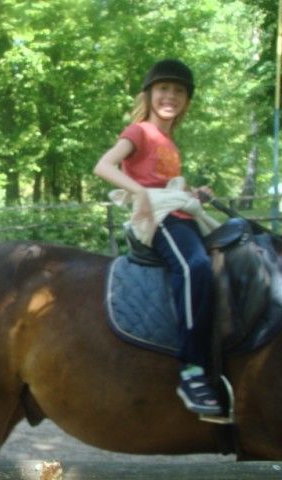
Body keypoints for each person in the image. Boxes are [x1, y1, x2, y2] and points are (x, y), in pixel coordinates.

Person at [93, 59, 221, 416]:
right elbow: (103, 166)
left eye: (178, 91)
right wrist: (140, 193)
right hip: (159, 218)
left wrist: (193, 194)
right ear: (149, 95)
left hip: (178, 212)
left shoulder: (169, 142)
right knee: (194, 267)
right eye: (163, 89)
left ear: (186, 100)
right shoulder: (140, 131)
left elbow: (164, 185)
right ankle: (192, 370)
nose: (170, 96)